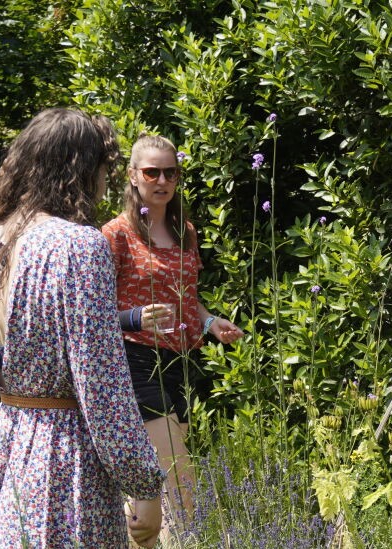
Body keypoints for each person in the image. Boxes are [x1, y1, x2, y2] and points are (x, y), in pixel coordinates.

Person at [0, 108, 166, 547]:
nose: (106, 183)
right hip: (63, 462)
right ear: (81, 170)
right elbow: (101, 384)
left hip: (4, 446)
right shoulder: (78, 246)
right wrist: (144, 483)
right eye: (104, 169)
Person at [101, 134, 245, 533]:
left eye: (171, 172)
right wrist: (134, 316)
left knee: (164, 487)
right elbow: (88, 314)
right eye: (151, 171)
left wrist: (208, 322)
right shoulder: (115, 235)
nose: (161, 180)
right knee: (180, 479)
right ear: (133, 176)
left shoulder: (187, 232)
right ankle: (189, 541)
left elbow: (188, 298)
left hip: (181, 360)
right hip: (135, 360)